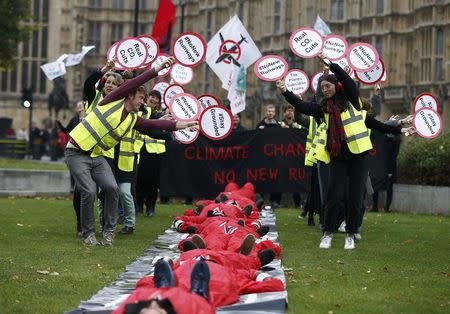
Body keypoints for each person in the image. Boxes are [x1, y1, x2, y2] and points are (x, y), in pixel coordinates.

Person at [276, 53, 414, 250]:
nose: (324, 90)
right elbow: (301, 106)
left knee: (355, 197)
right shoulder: (322, 109)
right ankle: (328, 233)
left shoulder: (353, 102)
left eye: (327, 86)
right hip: (337, 155)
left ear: (336, 86)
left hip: (359, 155)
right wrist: (285, 91)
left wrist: (331, 64)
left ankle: (350, 234)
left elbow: (375, 124)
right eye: (322, 87)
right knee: (334, 195)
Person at [65, 56, 197, 246]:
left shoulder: (133, 119)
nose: (143, 102)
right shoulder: (111, 100)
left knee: (112, 188)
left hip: (97, 156)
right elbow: (137, 81)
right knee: (89, 191)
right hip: (76, 151)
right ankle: (88, 233)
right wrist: (158, 68)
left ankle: (109, 231)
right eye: (141, 98)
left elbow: (155, 124)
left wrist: (184, 125)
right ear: (130, 96)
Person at [136, 90, 171, 217]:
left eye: (157, 98)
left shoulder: (162, 114)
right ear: (147, 97)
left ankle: (150, 207)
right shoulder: (141, 110)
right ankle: (139, 206)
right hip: (141, 149)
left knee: (153, 182)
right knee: (139, 179)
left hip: (156, 152)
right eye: (152, 96)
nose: (154, 99)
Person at [256, 104, 282, 208]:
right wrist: (259, 131)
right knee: (262, 178)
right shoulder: (260, 125)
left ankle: (275, 201)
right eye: (268, 111)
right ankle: (260, 200)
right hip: (263, 157)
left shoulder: (279, 126)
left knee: (275, 178)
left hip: (275, 157)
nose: (270, 113)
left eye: (272, 111)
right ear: (266, 112)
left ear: (274, 113)